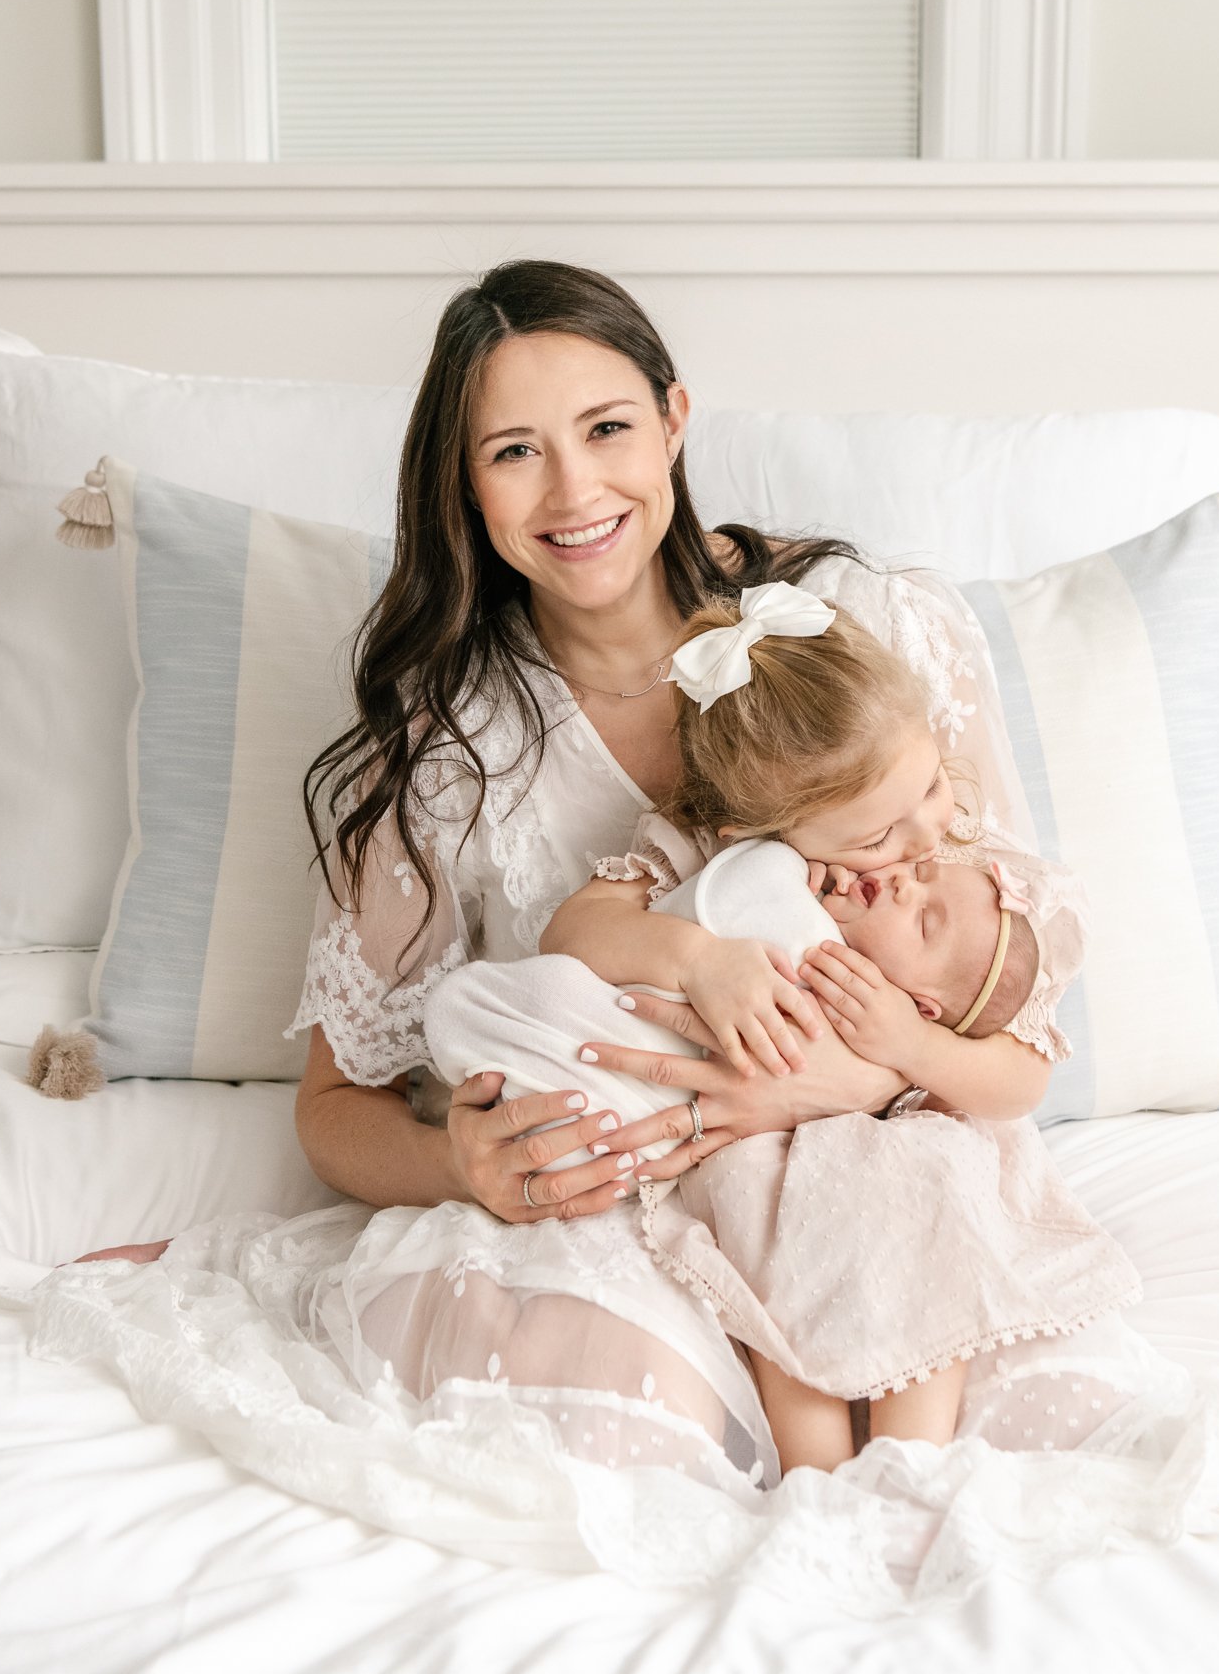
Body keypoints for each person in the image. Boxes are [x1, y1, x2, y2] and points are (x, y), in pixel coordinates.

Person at [26, 261, 1198, 1602]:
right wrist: (464, 1165)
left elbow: (1001, 968)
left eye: (606, 430)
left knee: (1034, 1438)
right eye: (514, 452)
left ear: (674, 421)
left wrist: (860, 1077)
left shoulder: (858, 636)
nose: (576, 493)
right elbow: (336, 1107)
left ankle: (900, 1564)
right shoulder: (437, 760)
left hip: (884, 1175)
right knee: (618, 1446)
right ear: (464, 486)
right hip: (616, 1202)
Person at [420, 587, 1141, 1473]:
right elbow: (575, 935)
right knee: (772, 1247)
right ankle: (814, 1476)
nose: (926, 837)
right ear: (760, 839)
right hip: (755, 1146)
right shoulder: (709, 852)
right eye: (878, 833)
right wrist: (695, 960)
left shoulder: (951, 873)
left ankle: (911, 1463)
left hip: (910, 1137)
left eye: (929, 785)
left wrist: (908, 1052)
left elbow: (1021, 1078)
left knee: (929, 1206)